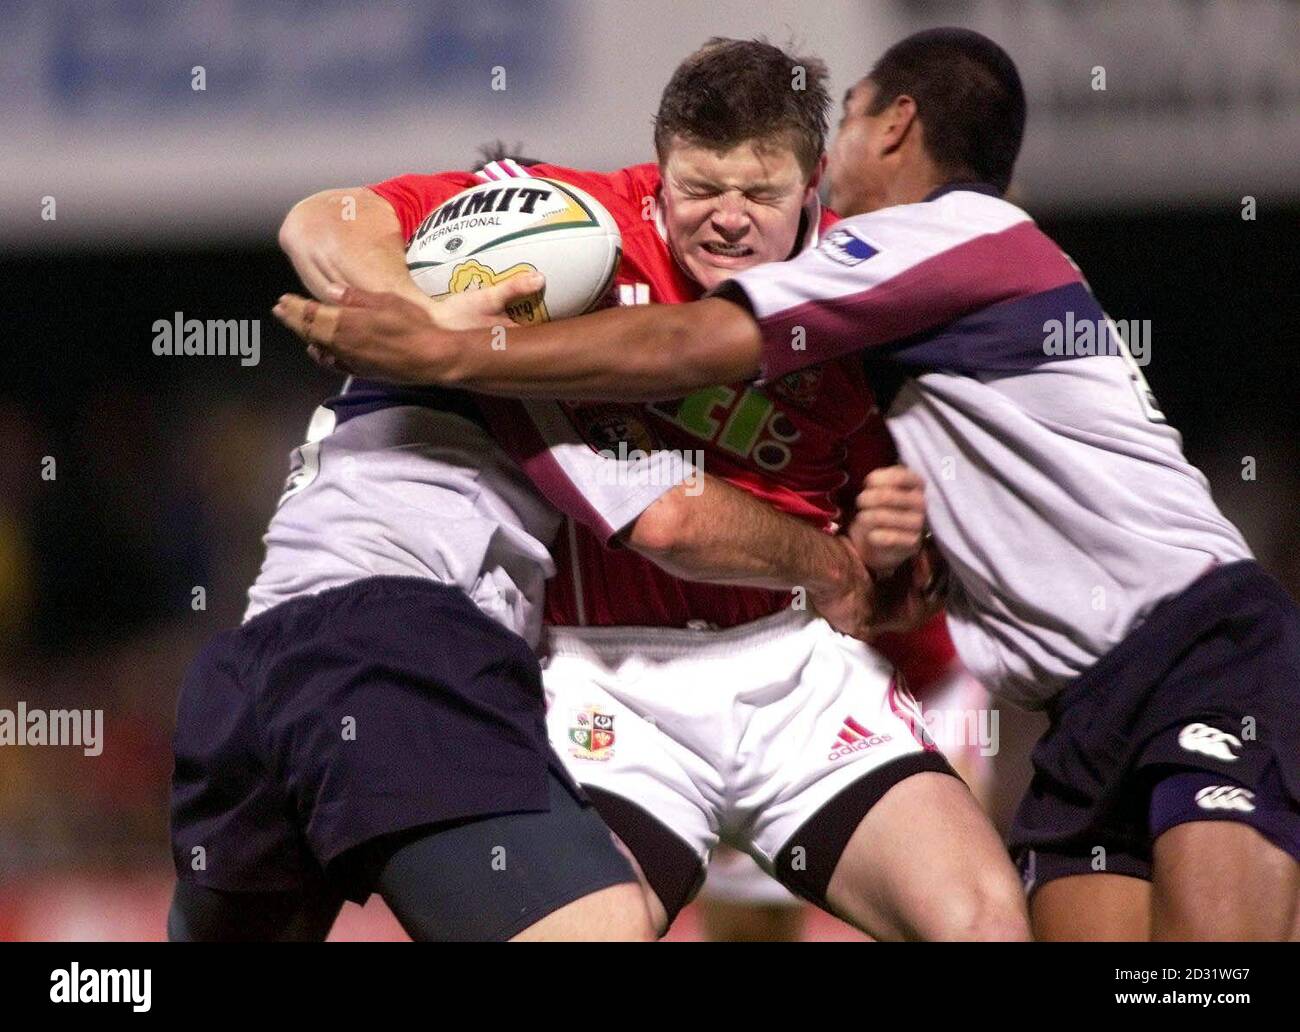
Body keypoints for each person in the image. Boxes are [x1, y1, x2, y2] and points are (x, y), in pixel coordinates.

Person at [277, 27, 1300, 941]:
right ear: (656, 167)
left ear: (813, 180)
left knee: (985, 921)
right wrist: (416, 307)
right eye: (696, 187)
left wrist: (897, 565)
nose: (724, 221)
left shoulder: (872, 293)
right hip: (606, 685)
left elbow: (894, 575)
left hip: (799, 671)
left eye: (758, 194)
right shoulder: (564, 220)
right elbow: (330, 213)